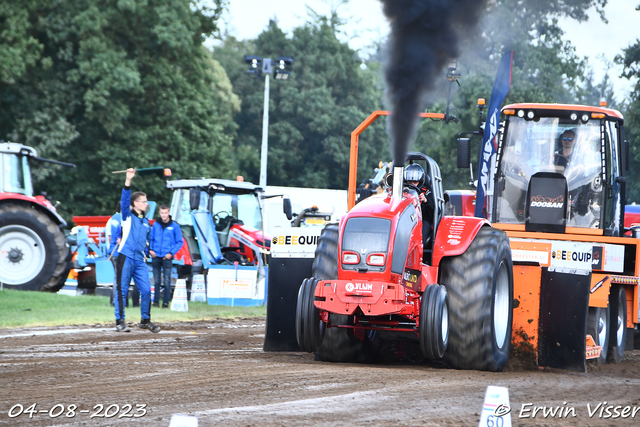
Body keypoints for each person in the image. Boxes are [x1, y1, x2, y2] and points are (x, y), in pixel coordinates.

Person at [114, 168, 160, 333]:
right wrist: (128, 179)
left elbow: (146, 241)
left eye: (146, 201)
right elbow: (125, 198)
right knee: (122, 291)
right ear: (135, 203)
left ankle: (145, 321)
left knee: (147, 290)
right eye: (143, 201)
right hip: (125, 257)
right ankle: (120, 321)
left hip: (140, 260)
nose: (146, 203)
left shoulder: (147, 222)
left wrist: (147, 253)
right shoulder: (126, 215)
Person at [150, 204, 183, 308]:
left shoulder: (175, 226)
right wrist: (150, 250)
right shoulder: (155, 224)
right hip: (156, 255)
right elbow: (151, 238)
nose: (164, 215)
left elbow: (179, 242)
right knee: (156, 280)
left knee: (167, 280)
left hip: (167, 256)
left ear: (169, 213)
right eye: (162, 213)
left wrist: (171, 253)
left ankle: (165, 303)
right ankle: (156, 302)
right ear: (160, 213)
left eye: (165, 213)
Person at [404, 164, 435, 245]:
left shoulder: (427, 192)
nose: (412, 184)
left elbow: (435, 210)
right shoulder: (400, 192)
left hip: (423, 220)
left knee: (421, 234)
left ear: (420, 181)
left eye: (415, 182)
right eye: (409, 182)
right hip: (404, 219)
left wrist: (425, 200)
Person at [106, 202, 122, 307]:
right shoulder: (124, 219)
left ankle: (113, 300)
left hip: (112, 251)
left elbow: (109, 237)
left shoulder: (111, 220)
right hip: (120, 251)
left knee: (116, 277)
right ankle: (117, 301)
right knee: (120, 277)